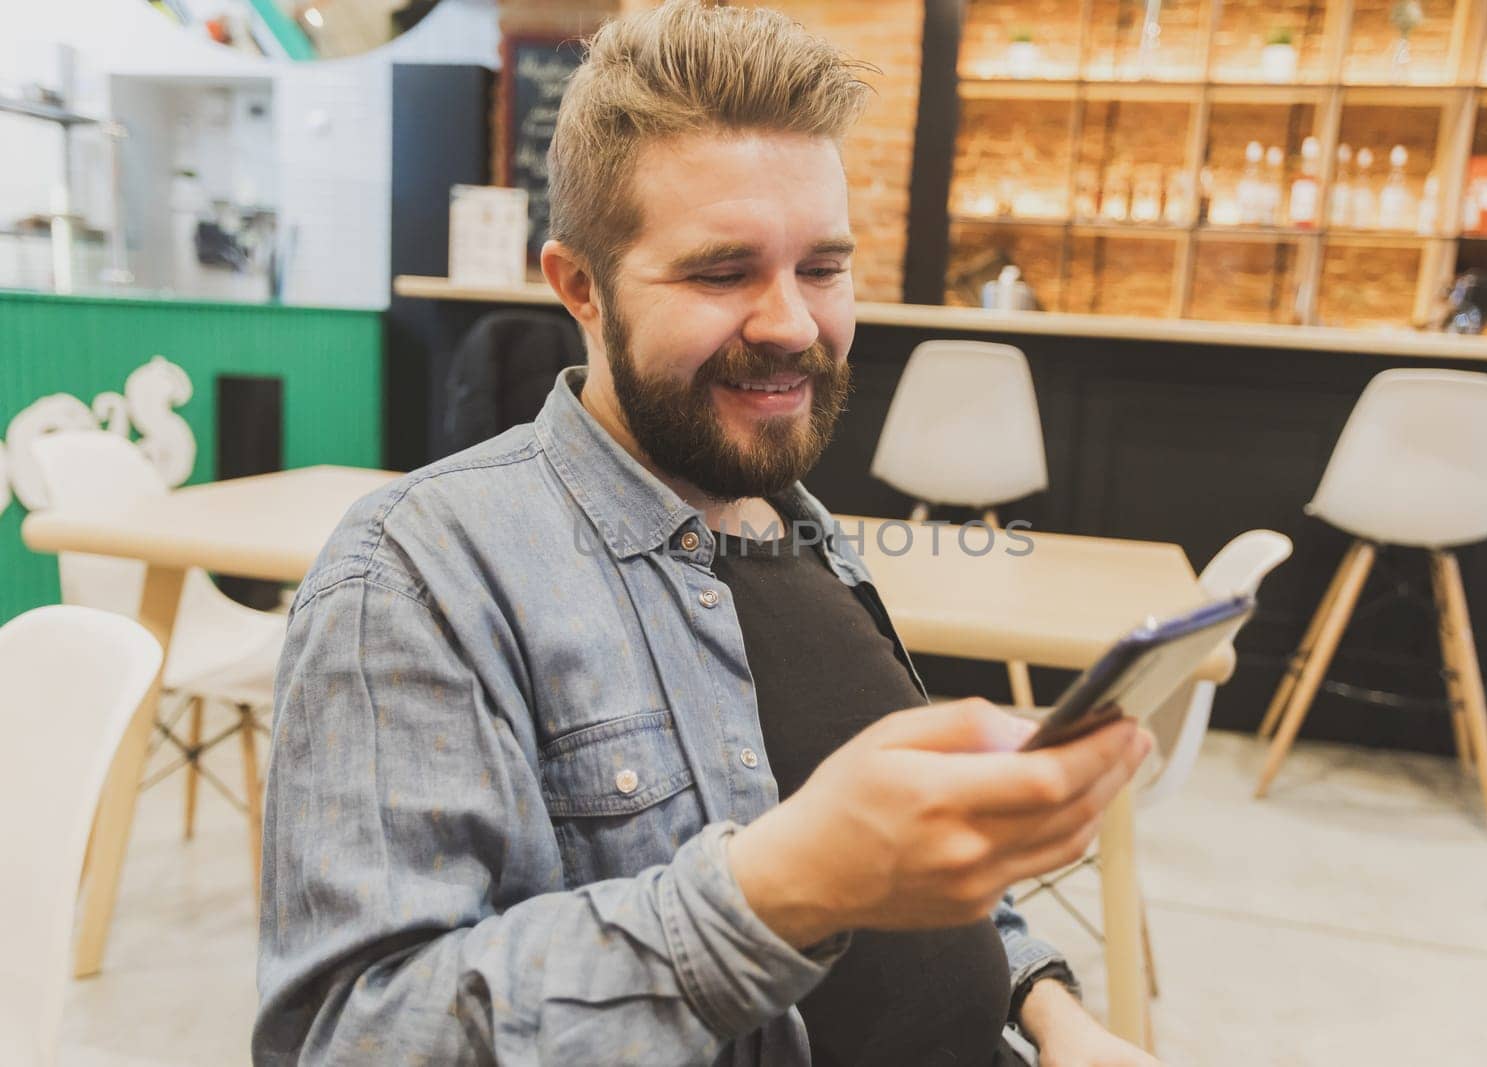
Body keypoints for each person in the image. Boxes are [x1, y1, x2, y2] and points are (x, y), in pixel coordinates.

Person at [255, 3, 1158, 1064]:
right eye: (723, 272)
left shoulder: (798, 527)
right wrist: (778, 890)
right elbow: (354, 1032)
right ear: (578, 287)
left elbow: (918, 888)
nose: (791, 323)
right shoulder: (417, 577)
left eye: (821, 269)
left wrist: (1052, 1012)